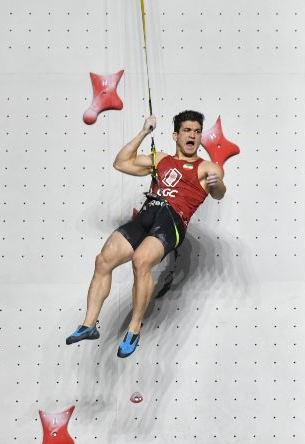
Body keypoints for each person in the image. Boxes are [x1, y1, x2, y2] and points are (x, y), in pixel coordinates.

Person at [65, 110, 226, 357]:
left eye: (196, 131)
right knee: (103, 259)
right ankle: (88, 325)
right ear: (175, 135)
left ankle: (134, 328)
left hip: (171, 220)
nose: (192, 135)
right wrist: (144, 132)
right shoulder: (159, 159)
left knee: (141, 261)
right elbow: (121, 162)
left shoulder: (207, 167)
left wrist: (217, 183)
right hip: (148, 214)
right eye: (186, 130)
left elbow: (218, 193)